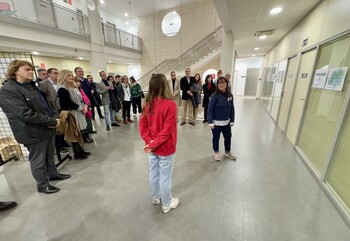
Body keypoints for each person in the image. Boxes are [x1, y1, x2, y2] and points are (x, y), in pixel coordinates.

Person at [0, 60, 71, 194]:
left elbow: (47, 103)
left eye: (31, 69)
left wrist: (54, 118)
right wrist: (52, 121)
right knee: (38, 159)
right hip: (31, 132)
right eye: (27, 69)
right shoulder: (8, 90)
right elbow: (25, 114)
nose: (31, 71)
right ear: (15, 71)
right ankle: (42, 184)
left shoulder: (30, 86)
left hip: (46, 128)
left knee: (50, 155)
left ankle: (53, 174)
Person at [139, 73, 179, 214]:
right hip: (165, 148)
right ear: (165, 86)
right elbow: (167, 131)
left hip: (152, 148)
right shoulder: (171, 105)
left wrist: (150, 142)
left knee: (154, 173)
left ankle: (156, 197)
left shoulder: (147, 104)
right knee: (165, 177)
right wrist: (154, 143)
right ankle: (167, 203)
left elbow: (142, 126)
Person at [57, 69, 90, 159]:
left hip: (79, 112)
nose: (71, 77)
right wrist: (81, 108)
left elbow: (81, 99)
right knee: (75, 133)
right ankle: (77, 153)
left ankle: (81, 150)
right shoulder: (62, 88)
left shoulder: (73, 87)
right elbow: (68, 103)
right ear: (63, 77)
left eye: (71, 75)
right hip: (72, 114)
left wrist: (85, 107)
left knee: (80, 132)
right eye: (68, 75)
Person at [207, 77, 236, 161]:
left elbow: (232, 108)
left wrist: (232, 120)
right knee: (216, 138)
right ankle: (216, 152)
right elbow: (210, 110)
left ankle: (227, 151)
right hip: (216, 123)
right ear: (217, 85)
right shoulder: (214, 96)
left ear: (226, 84)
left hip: (226, 123)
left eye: (223, 83)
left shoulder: (230, 95)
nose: (221, 85)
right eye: (219, 83)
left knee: (228, 137)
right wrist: (210, 122)